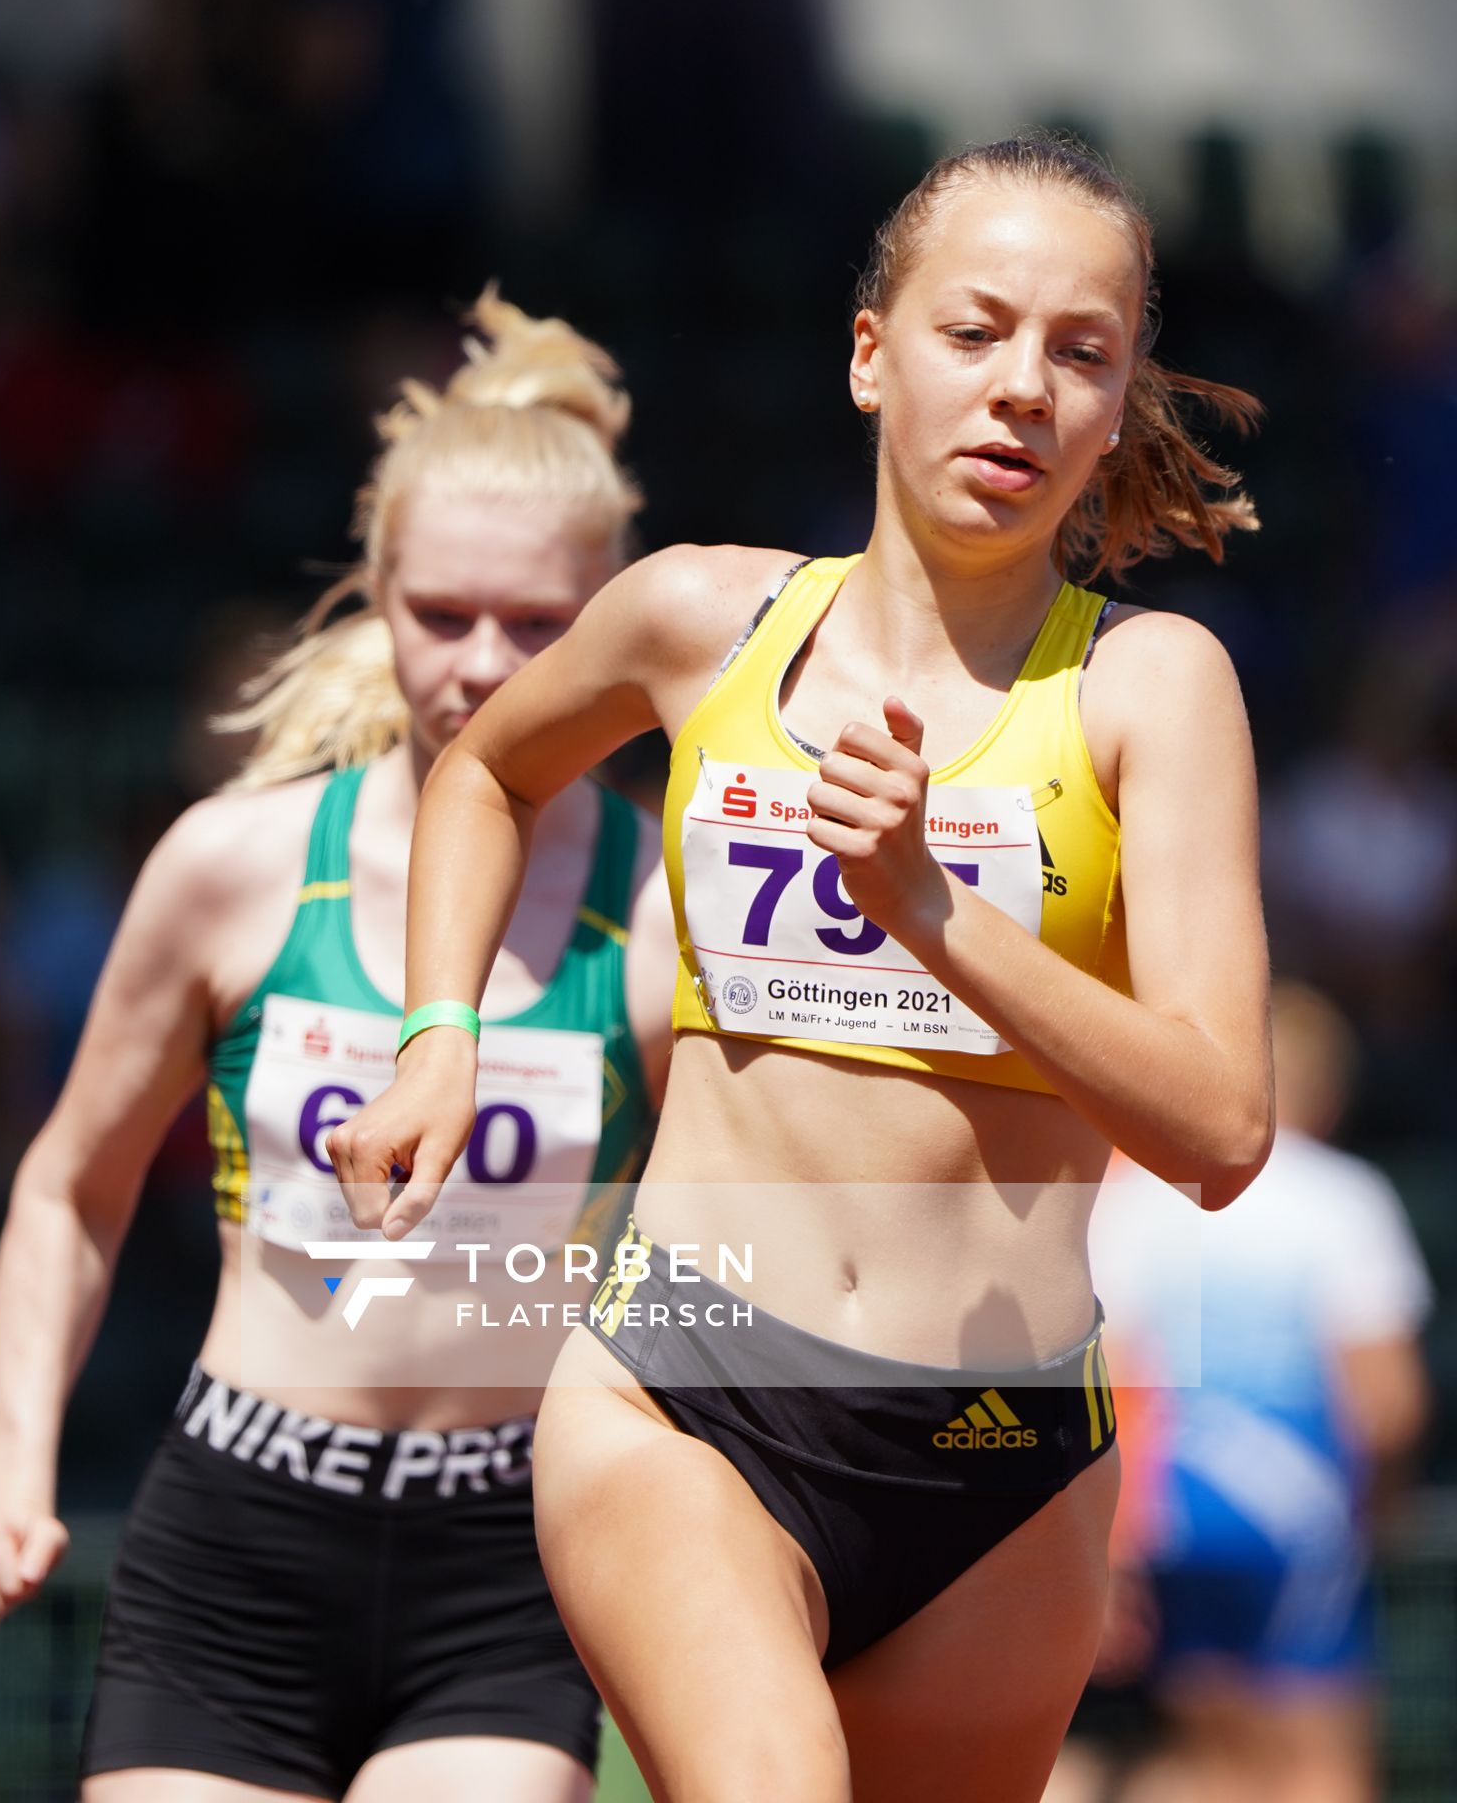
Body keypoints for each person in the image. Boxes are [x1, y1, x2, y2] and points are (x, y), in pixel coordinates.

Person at [327, 136, 1275, 1803]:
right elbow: (483, 770)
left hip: (1003, 1456)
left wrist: (936, 909)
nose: (1024, 391)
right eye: (973, 332)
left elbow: (1219, 1128)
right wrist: (436, 1033)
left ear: (1120, 406)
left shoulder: (1152, 690)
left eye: (1081, 353)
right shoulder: (699, 623)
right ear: (868, 355)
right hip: (692, 1389)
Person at [0, 291, 676, 1803]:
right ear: (377, 592)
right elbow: (70, 1186)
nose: (481, 666)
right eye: (441, 615)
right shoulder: (240, 869)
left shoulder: (659, 903)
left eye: (537, 626)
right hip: (242, 1544)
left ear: (609, 621)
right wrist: (15, 1467)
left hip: (509, 1557)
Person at [1056, 980, 1432, 1803]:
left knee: (1219, 1769)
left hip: (1175, 1517)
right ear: (1325, 1086)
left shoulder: (1135, 1201)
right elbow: (1389, 1403)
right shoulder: (1342, 1197)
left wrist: (1113, 1546)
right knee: (1322, 1772)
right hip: (1297, 1514)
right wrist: (1379, 1517)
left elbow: (1110, 1383)